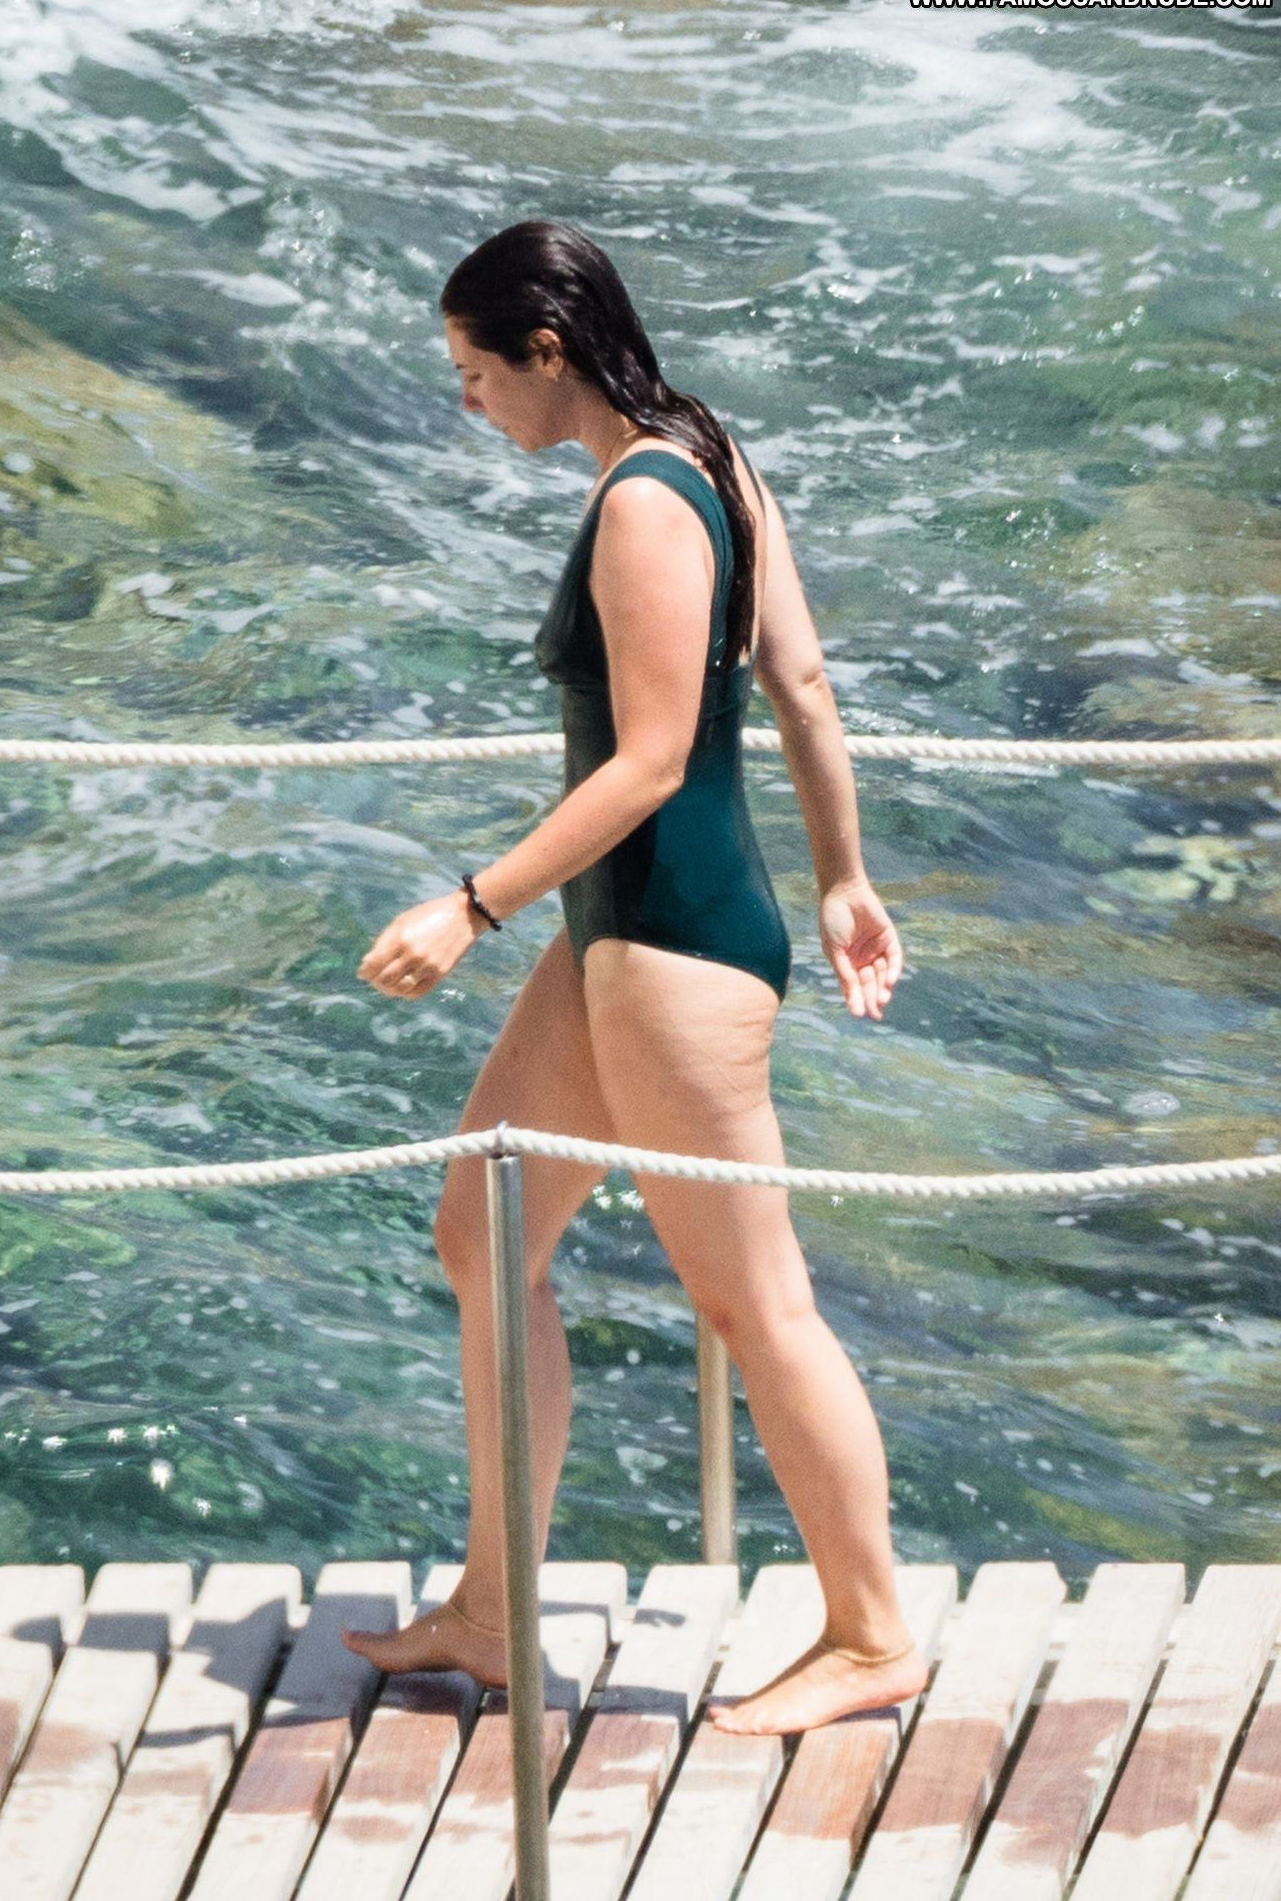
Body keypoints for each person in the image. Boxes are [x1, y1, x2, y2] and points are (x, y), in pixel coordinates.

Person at [341, 218, 917, 1736]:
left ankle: (872, 1635)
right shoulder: (707, 449)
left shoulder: (646, 504)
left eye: (476, 373)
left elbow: (654, 760)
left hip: (675, 949)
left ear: (547, 351)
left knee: (756, 1306)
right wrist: (844, 877)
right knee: (484, 1234)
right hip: (630, 934)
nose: (467, 401)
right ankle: (491, 1612)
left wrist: (471, 906)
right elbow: (799, 683)